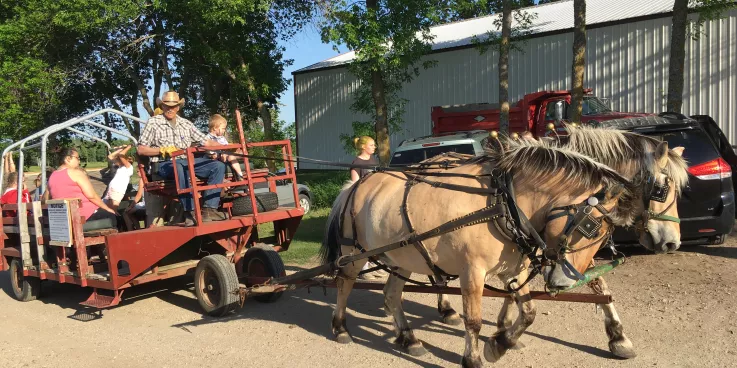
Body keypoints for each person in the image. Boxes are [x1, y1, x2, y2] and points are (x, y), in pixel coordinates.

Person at [136, 91, 226, 226]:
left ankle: (209, 209)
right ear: (162, 106)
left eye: (173, 106)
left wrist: (227, 147)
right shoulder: (153, 122)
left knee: (217, 166)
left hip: (185, 161)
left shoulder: (186, 124)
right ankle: (190, 211)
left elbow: (205, 142)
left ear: (178, 107)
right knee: (180, 166)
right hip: (163, 164)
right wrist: (161, 150)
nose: (170, 109)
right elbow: (141, 149)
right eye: (166, 106)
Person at [44, 148, 117, 225]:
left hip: (65, 220)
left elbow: (45, 198)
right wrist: (107, 208)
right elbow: (92, 196)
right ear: (68, 159)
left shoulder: (52, 176)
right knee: (115, 216)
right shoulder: (75, 172)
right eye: (77, 158)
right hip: (84, 217)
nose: (79, 161)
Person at [348, 136, 385, 280]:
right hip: (363, 201)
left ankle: (375, 264)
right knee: (362, 234)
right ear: (363, 147)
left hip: (375, 199)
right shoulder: (356, 162)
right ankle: (363, 267)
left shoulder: (374, 160)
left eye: (374, 145)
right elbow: (354, 185)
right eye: (371, 145)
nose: (374, 147)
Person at [206, 114, 245, 180]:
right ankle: (221, 179)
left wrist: (229, 149)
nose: (224, 130)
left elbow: (226, 147)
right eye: (223, 128)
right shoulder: (207, 138)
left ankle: (240, 175)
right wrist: (213, 154)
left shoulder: (222, 138)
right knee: (220, 157)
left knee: (231, 156)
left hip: (224, 156)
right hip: (214, 158)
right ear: (215, 127)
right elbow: (208, 150)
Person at [103, 145, 134, 210]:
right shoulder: (121, 167)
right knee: (105, 209)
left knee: (112, 211)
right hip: (111, 190)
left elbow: (121, 155)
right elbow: (110, 156)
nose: (117, 160)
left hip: (117, 192)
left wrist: (129, 146)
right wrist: (120, 149)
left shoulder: (129, 167)